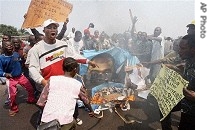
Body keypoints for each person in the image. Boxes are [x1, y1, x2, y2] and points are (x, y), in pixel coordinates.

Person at [36, 57, 94, 130]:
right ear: (75, 70)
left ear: (63, 68)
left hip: (46, 122)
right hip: (65, 122)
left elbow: (40, 102)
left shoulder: (52, 80)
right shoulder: (77, 84)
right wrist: (91, 111)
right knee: (72, 124)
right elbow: (85, 100)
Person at [0, 41, 36, 116]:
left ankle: (31, 99)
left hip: (20, 76)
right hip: (11, 79)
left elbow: (20, 63)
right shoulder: (1, 58)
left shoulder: (16, 54)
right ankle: (13, 108)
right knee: (12, 95)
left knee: (30, 88)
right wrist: (5, 74)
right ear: (3, 47)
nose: (9, 47)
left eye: (10, 45)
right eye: (7, 46)